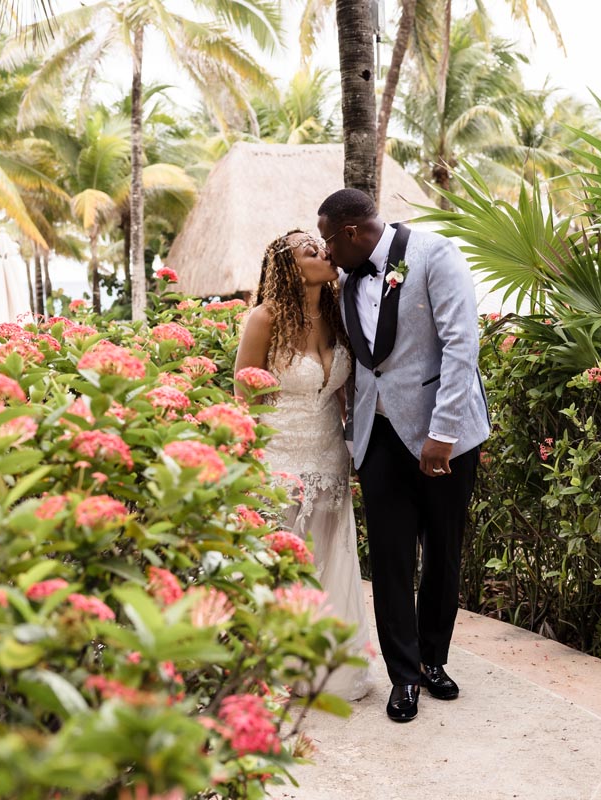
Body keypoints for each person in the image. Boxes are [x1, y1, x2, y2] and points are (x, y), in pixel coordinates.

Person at [316, 189, 490, 723]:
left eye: (327, 240)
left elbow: (463, 344)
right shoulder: (346, 280)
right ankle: (405, 676)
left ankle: (434, 661)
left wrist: (443, 431)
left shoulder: (436, 254)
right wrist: (350, 438)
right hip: (377, 439)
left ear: (349, 233)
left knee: (442, 553)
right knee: (390, 561)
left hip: (444, 437)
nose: (325, 254)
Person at [234, 229, 373, 702]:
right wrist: (244, 463)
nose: (323, 252)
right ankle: (271, 666)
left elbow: (342, 395)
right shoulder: (263, 318)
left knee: (325, 557)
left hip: (329, 453)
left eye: (321, 245)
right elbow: (245, 394)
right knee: (278, 563)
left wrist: (357, 451)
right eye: (309, 251)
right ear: (290, 268)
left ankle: (319, 667)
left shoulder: (337, 313)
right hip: (278, 456)